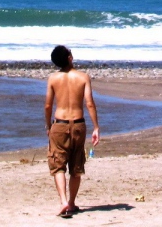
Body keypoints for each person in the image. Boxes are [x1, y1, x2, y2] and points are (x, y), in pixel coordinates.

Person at [45, 45, 100, 218]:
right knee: (76, 165)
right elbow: (89, 103)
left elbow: (48, 105)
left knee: (58, 164)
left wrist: (48, 125)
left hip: (59, 123)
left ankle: (63, 202)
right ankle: (72, 203)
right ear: (69, 57)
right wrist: (96, 126)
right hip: (78, 124)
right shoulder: (83, 77)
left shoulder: (53, 79)